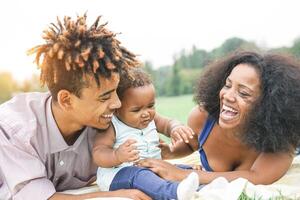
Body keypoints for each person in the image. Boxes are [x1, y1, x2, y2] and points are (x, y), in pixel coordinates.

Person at [0, 14, 152, 200]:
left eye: (115, 92)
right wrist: (112, 196)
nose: (117, 103)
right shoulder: (14, 129)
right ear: (66, 100)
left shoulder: (110, 124)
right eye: (104, 97)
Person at [137, 51, 300, 186]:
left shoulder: (281, 140)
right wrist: (170, 153)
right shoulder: (202, 118)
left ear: (269, 104)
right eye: (228, 85)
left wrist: (181, 174)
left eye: (243, 93)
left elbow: (257, 177)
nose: (228, 96)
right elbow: (193, 144)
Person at [93, 68, 199, 200]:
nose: (146, 113)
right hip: (119, 175)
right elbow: (98, 153)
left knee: (178, 169)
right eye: (136, 110)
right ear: (117, 109)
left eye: (151, 106)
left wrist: (175, 127)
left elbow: (167, 124)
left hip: (152, 170)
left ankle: (199, 187)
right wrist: (117, 155)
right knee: (141, 176)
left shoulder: (151, 119)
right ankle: (174, 192)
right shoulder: (112, 126)